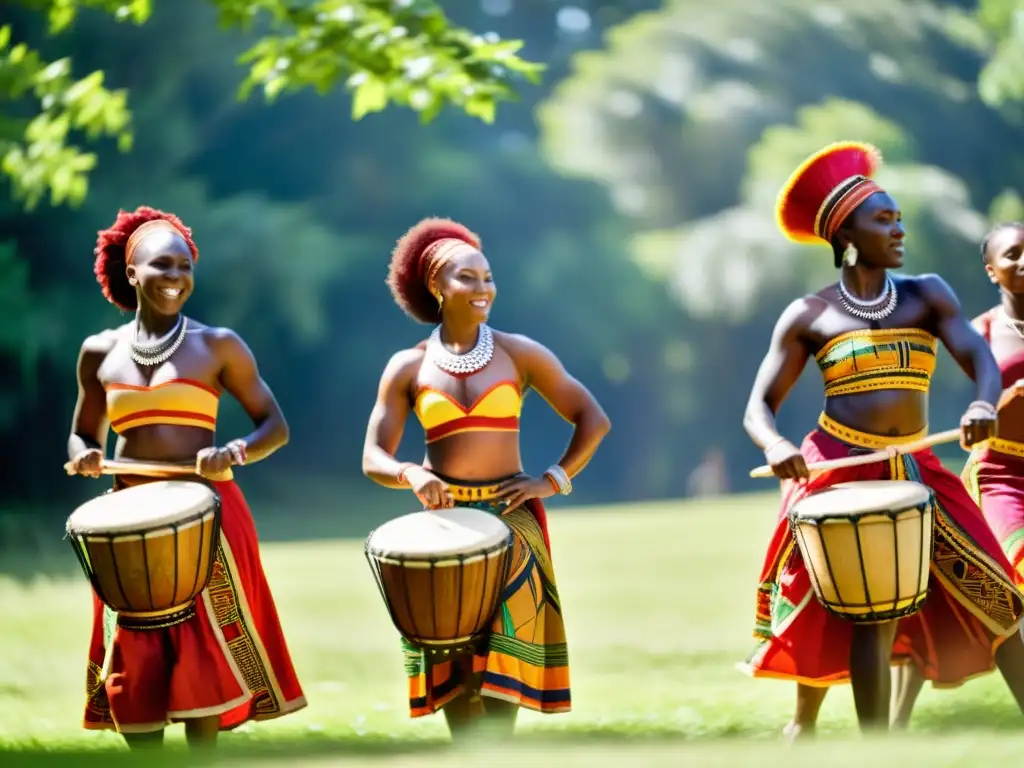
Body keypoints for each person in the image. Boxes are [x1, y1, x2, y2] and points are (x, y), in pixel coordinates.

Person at [740, 143, 1024, 739]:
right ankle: (841, 737)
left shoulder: (927, 294)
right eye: (883, 220)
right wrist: (773, 445)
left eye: (899, 219)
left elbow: (978, 359)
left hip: (918, 465)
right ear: (846, 234)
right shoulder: (808, 314)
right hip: (836, 471)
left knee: (998, 596)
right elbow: (759, 407)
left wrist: (980, 402)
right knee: (865, 610)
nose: (899, 230)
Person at [361, 217, 611, 741]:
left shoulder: (519, 353)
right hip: (445, 525)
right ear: (437, 288)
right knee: (453, 658)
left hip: (513, 520)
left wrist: (553, 479)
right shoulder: (408, 366)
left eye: (487, 277)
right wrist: (409, 471)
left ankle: (495, 752)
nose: (483, 289)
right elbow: (373, 457)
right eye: (467, 279)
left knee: (504, 662)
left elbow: (593, 418)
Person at [66, 206, 306, 748]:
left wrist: (236, 451)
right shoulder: (99, 351)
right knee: (134, 643)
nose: (176, 277)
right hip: (128, 518)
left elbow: (275, 426)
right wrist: (84, 454)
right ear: (132, 275)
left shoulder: (217, 344)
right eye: (161, 265)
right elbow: (82, 433)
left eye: (185, 266)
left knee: (206, 647)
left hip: (207, 512)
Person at [891, 221, 1024, 728]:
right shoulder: (982, 330)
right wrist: (989, 408)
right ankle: (892, 726)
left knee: (944, 605)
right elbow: (974, 400)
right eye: (1013, 254)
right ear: (991, 270)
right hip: (1001, 476)